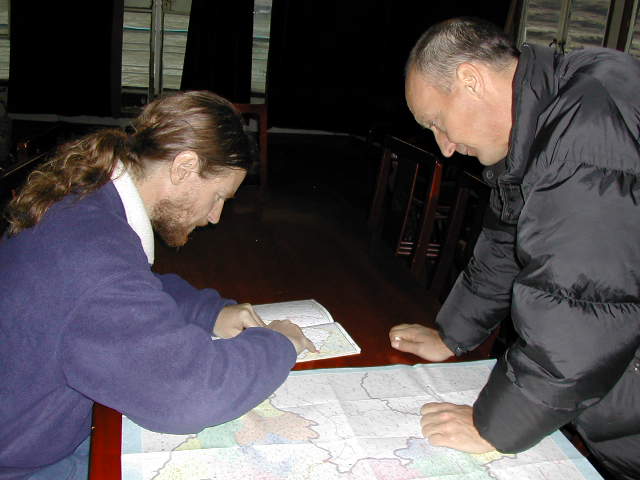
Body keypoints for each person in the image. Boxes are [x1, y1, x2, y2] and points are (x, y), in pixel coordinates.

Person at [0, 90, 315, 480]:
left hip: (40, 426)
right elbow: (187, 397)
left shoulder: (91, 201)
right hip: (25, 462)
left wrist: (210, 312)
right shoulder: (93, 257)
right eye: (218, 196)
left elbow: (132, 288)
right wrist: (280, 342)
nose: (216, 217)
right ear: (183, 166)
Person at [389, 17, 640, 480]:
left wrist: (494, 430)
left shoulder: (584, 127)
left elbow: (578, 310)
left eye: (437, 122)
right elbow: (506, 241)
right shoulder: (544, 116)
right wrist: (452, 334)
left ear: (470, 79)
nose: (443, 148)